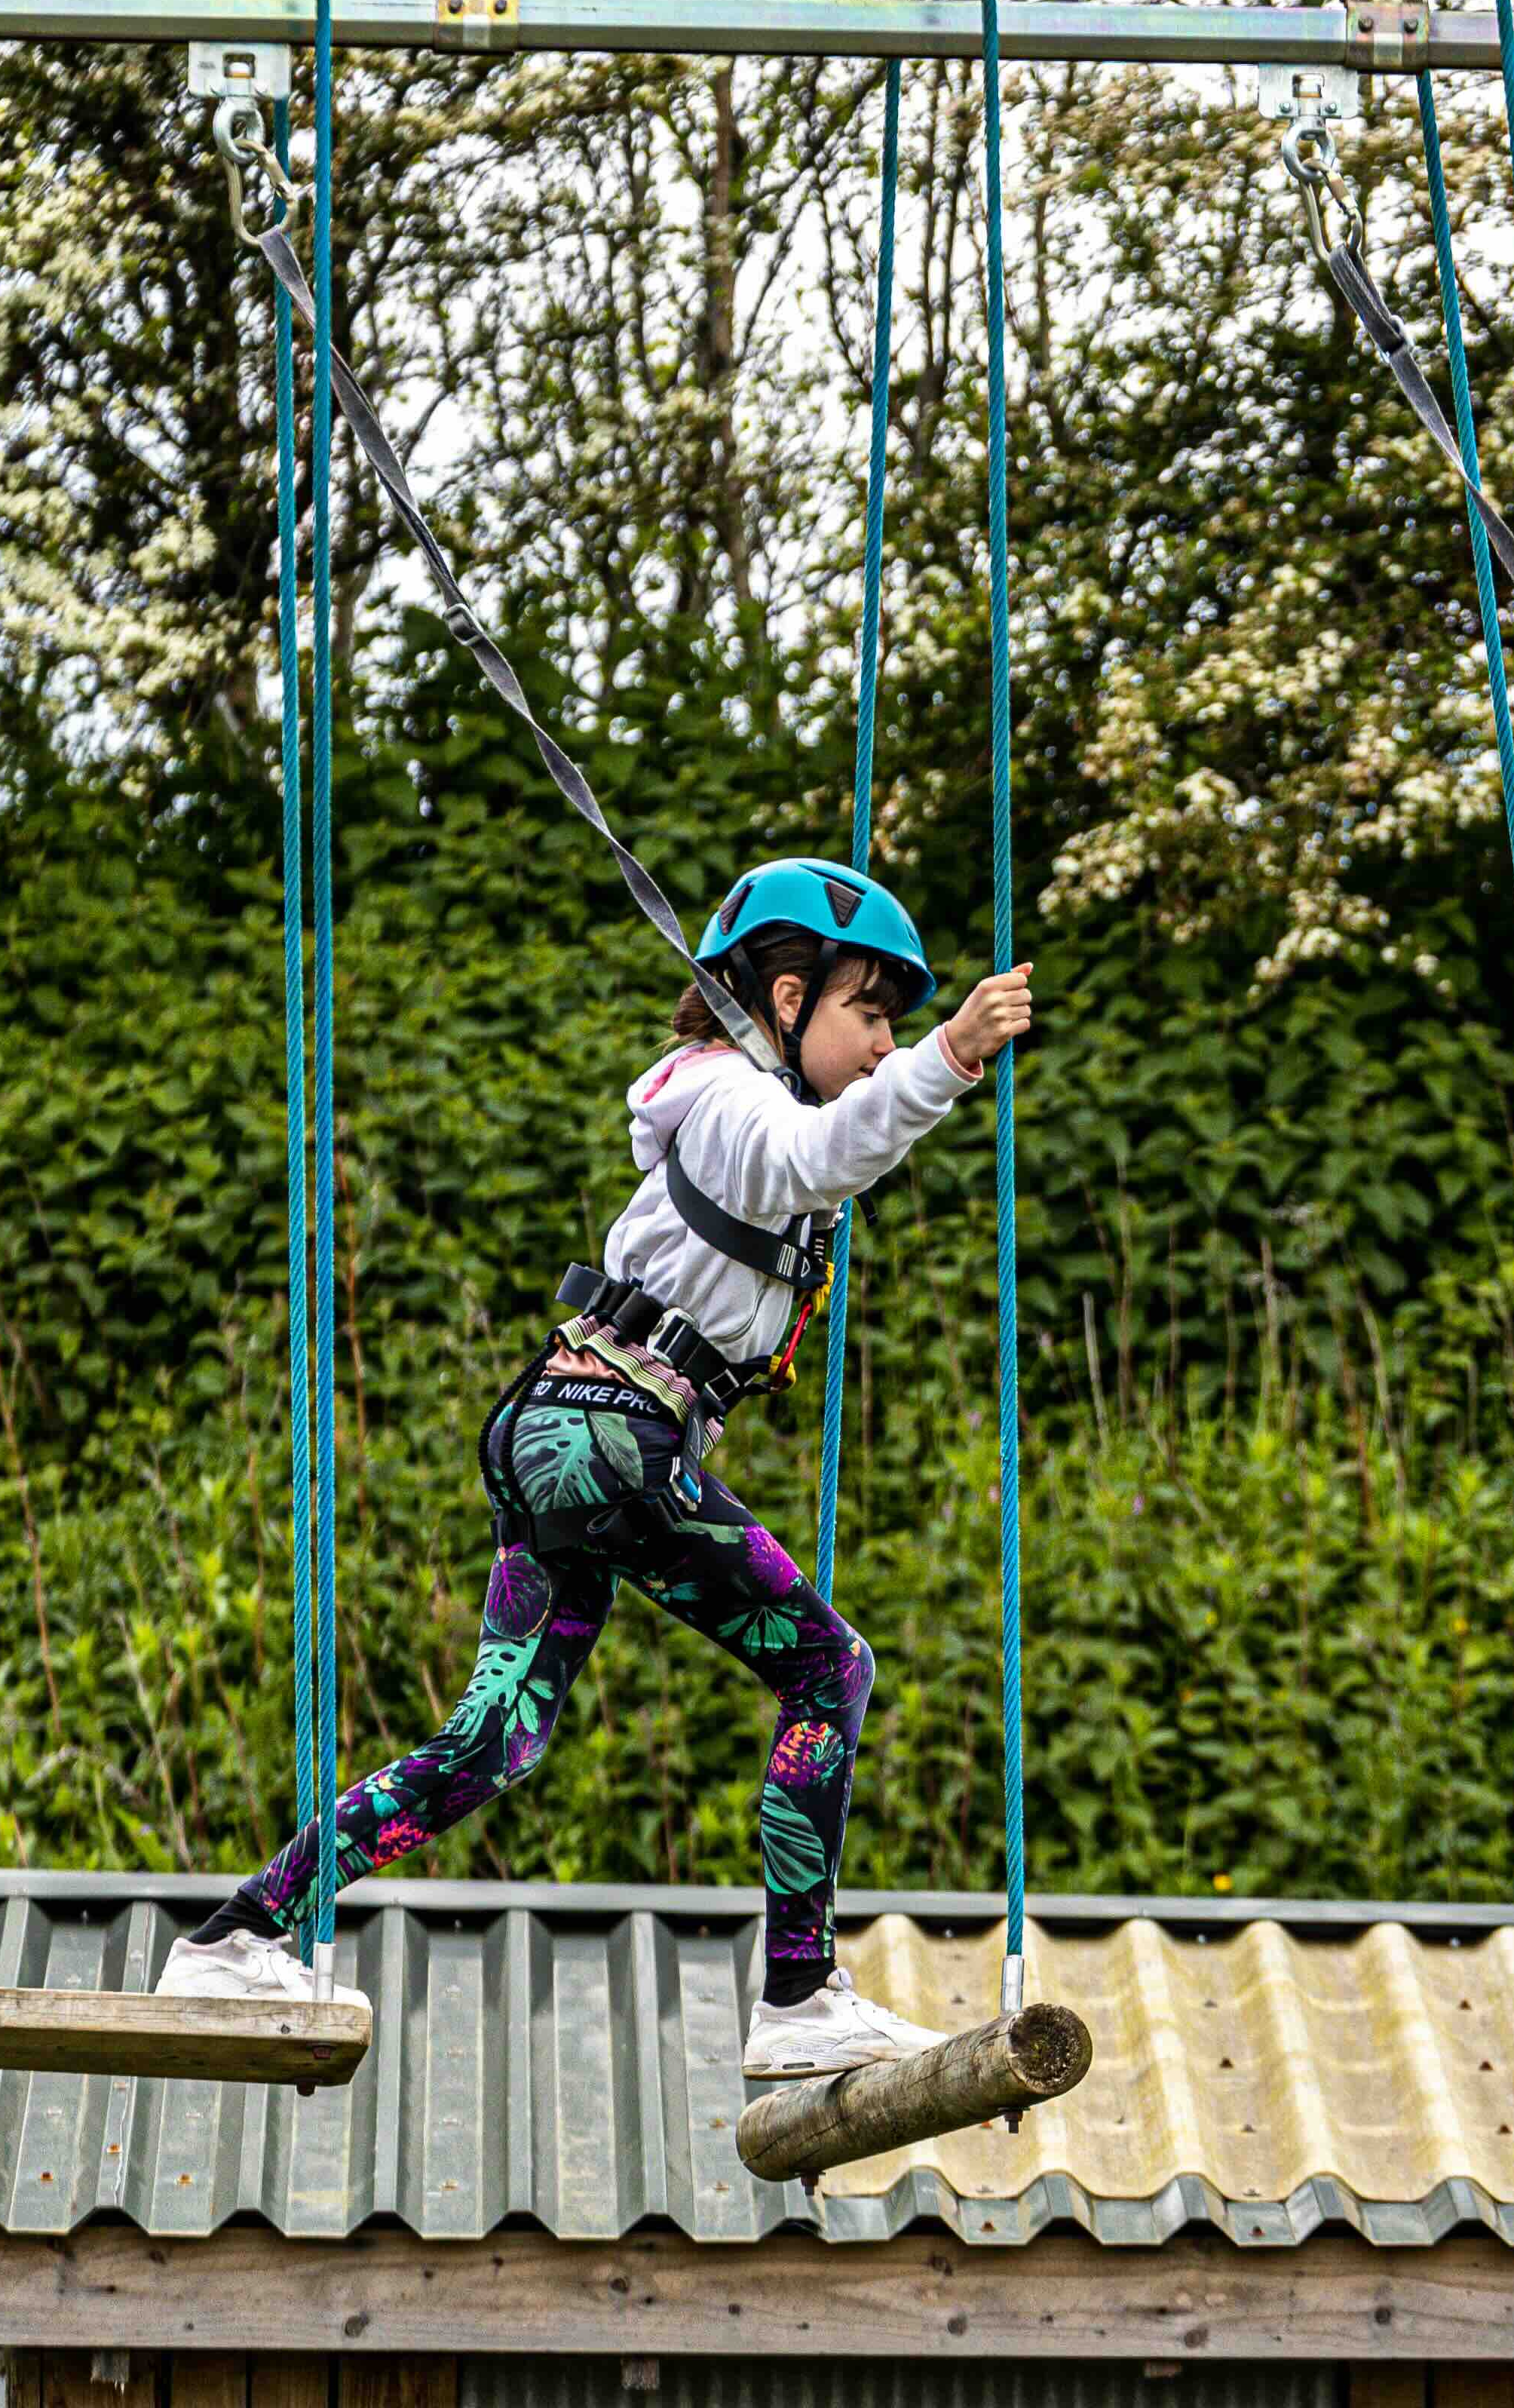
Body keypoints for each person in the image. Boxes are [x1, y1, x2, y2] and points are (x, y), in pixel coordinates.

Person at [160, 857, 1037, 2079]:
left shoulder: (738, 1103)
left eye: (895, 1022)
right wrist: (951, 1052)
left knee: (492, 1744)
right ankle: (798, 1993)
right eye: (869, 1015)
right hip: (614, 1439)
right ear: (786, 1000)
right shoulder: (730, 1098)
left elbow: (823, 1157)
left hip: (559, 1435)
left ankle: (235, 1935)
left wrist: (914, 1065)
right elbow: (815, 1157)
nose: (886, 1045)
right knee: (829, 1668)